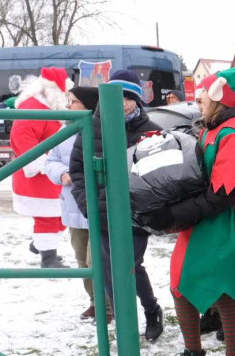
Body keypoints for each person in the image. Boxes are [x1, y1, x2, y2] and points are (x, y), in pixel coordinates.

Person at [144, 63, 235, 356]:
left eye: (204, 93)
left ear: (219, 98)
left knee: (224, 292)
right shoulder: (214, 128)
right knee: (181, 285)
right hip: (205, 222)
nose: (199, 98)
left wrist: (173, 213)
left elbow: (222, 195)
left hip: (227, 224)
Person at [69, 69, 164, 341]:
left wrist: (147, 205)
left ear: (137, 99)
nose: (121, 101)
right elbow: (78, 169)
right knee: (108, 267)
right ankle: (124, 323)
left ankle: (150, 309)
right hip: (100, 212)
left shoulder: (151, 130)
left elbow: (162, 173)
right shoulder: (92, 125)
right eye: (116, 95)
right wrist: (88, 206)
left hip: (136, 212)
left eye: (128, 96)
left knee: (130, 265)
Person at [45, 86, 108, 320]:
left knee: (97, 259)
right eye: (68, 101)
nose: (68, 106)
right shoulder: (63, 132)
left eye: (73, 101)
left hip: (97, 205)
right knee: (83, 260)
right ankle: (95, 302)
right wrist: (62, 173)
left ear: (88, 105)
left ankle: (108, 306)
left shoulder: (101, 131)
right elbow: (49, 160)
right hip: (73, 205)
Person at [8, 67, 72, 268]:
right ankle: (48, 258)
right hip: (39, 174)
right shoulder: (33, 106)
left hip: (52, 171)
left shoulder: (49, 106)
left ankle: (43, 245)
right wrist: (43, 164)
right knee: (48, 217)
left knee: (61, 214)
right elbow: (21, 139)